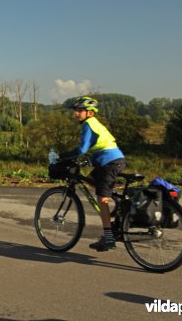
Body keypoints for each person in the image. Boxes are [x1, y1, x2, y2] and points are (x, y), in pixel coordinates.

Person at [61, 96, 126, 251]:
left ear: (89, 113)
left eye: (80, 111)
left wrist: (63, 156)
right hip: (113, 160)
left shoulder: (89, 125)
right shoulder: (96, 124)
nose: (76, 114)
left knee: (101, 199)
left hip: (110, 163)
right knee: (91, 179)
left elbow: (82, 149)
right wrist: (88, 162)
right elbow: (100, 147)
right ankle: (115, 200)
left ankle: (109, 238)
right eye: (75, 111)